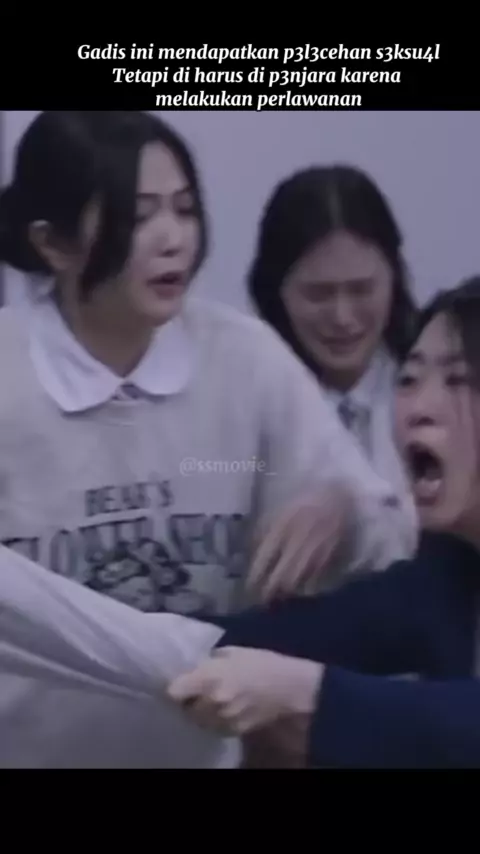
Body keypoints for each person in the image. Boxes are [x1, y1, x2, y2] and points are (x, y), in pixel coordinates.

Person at [0, 111, 413, 618]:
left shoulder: (245, 359)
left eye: (185, 209)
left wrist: (344, 511)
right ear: (52, 244)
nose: (174, 239)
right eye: (138, 217)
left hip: (225, 672)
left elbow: (393, 537)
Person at [168, 276, 480, 768]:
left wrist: (306, 692)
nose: (419, 409)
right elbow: (294, 634)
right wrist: (92, 626)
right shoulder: (447, 570)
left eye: (457, 380)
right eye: (409, 379)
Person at [248, 165, 418, 536]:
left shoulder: (445, 389)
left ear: (394, 276)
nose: (342, 317)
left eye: (362, 289)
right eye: (318, 294)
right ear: (276, 290)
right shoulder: (243, 399)